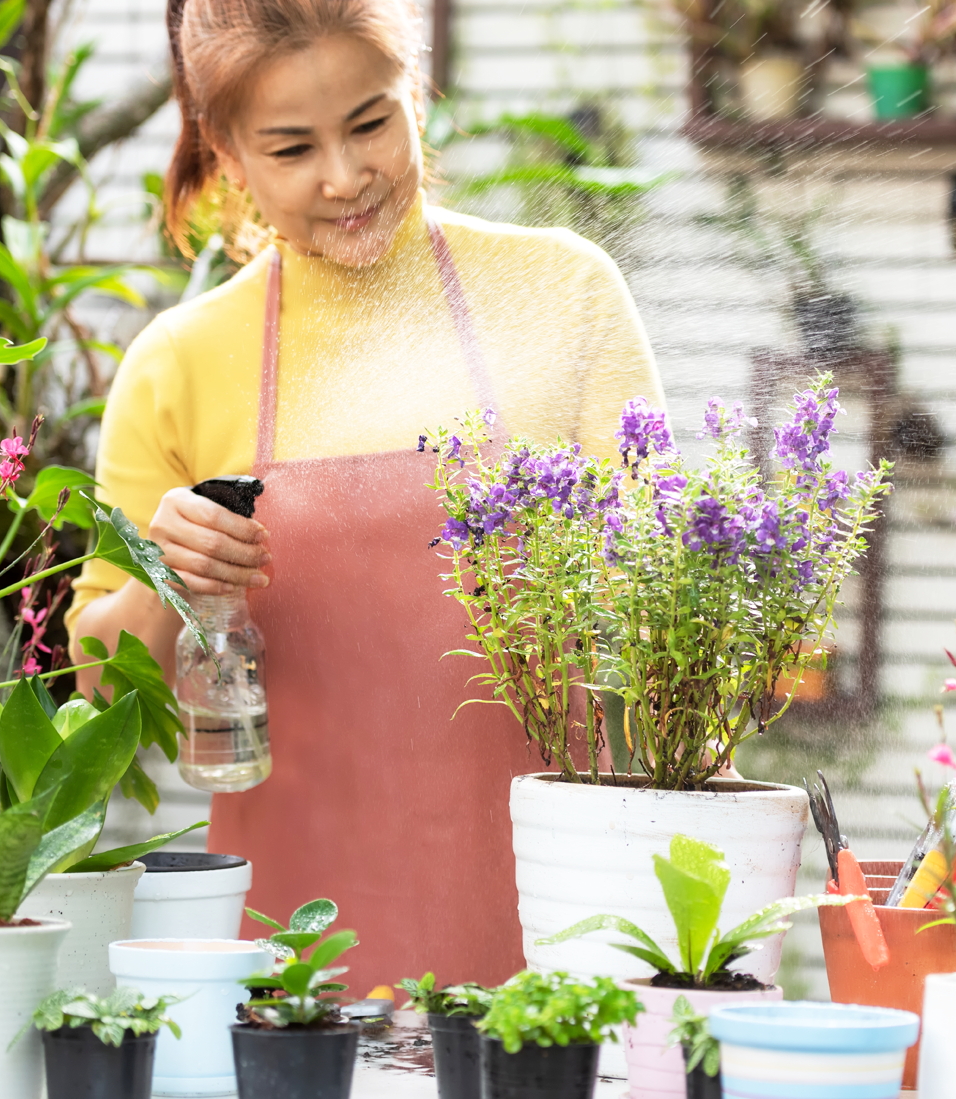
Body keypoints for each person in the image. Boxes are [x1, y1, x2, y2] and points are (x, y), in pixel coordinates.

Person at [65, 0, 662, 985]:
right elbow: (91, 686)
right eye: (292, 148)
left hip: (559, 907)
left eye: (371, 123)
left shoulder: (563, 293)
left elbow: (667, 590)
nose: (344, 178)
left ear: (414, 94)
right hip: (295, 936)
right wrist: (161, 570)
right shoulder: (181, 362)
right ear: (228, 151)